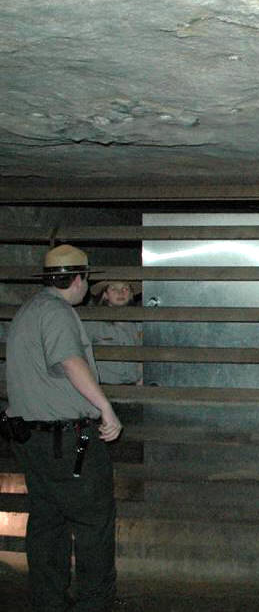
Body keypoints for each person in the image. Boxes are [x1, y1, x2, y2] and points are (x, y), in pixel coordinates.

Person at [1, 244, 122, 612]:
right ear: (79, 279)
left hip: (33, 440)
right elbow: (70, 362)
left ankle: (48, 600)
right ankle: (94, 603)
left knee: (48, 520)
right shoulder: (57, 313)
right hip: (70, 441)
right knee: (93, 520)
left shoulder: (30, 310)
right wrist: (106, 409)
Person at [85, 280, 143, 385]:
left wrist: (140, 381)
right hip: (104, 387)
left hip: (133, 387)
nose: (120, 293)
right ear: (105, 295)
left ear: (131, 294)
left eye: (125, 288)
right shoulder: (92, 323)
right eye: (113, 289)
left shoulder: (139, 323)